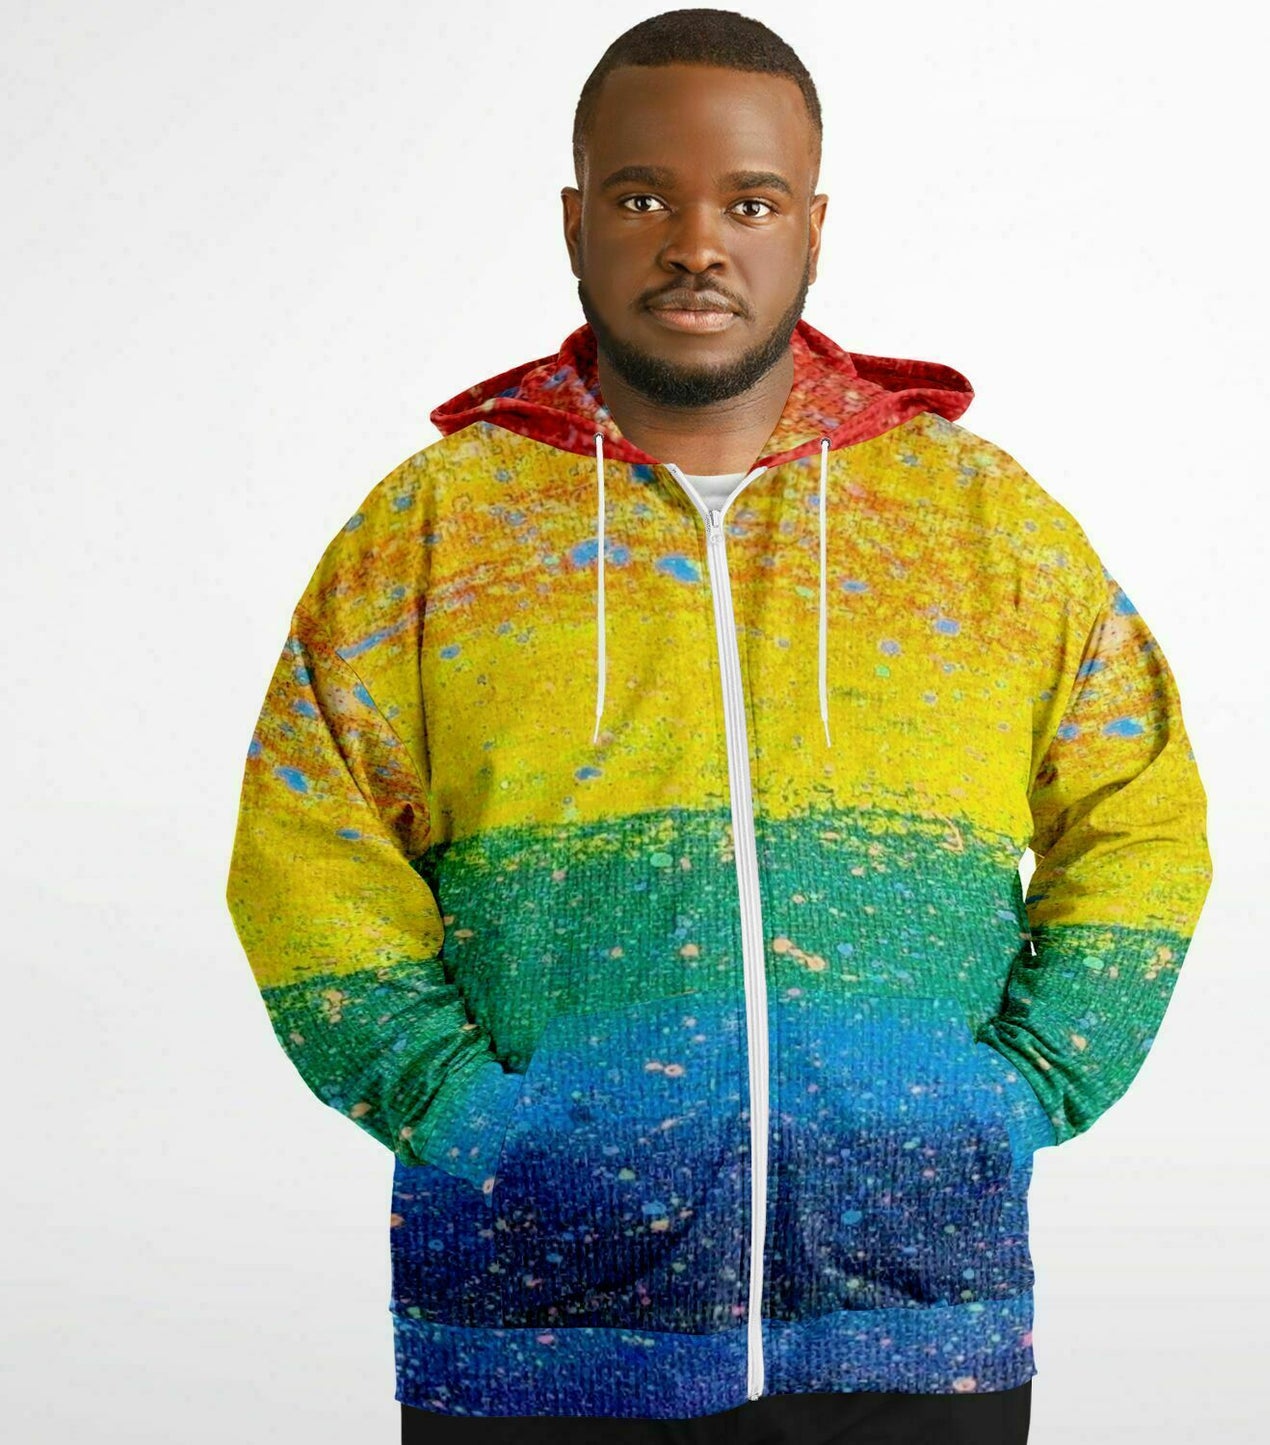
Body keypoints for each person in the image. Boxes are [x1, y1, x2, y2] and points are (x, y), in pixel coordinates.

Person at [223, 9, 1213, 1444]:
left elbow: (1140, 813)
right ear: (576, 222)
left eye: (749, 203)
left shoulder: (978, 523)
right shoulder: (438, 529)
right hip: (532, 1319)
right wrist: (469, 1118)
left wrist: (1015, 1088)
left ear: (811, 227)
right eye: (644, 200)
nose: (697, 245)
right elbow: (303, 849)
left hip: (915, 1319)